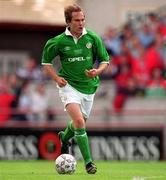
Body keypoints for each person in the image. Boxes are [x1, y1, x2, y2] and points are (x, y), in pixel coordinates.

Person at [41, 4, 110, 174]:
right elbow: (46, 63)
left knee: (79, 123)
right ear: (68, 22)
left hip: (89, 87)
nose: (81, 23)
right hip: (68, 86)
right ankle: (89, 163)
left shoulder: (92, 38)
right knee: (79, 122)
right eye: (77, 20)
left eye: (83, 19)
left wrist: (97, 71)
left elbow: (105, 60)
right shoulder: (57, 41)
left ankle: (64, 138)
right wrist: (57, 78)